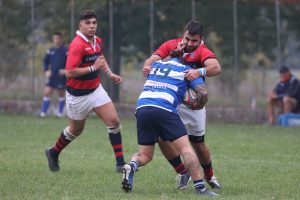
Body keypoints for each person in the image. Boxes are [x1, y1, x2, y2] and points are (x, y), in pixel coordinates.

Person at [121, 51, 217, 197]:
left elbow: (150, 66)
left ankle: (132, 164)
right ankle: (201, 189)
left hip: (142, 107)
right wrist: (194, 103)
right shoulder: (186, 70)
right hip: (164, 108)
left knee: (145, 155)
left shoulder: (156, 65)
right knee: (187, 149)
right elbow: (202, 93)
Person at [142, 20, 222, 190]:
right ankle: (182, 172)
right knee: (161, 138)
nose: (190, 44)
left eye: (195, 41)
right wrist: (148, 67)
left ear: (201, 39)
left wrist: (198, 71)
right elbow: (151, 60)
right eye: (188, 39)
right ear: (183, 34)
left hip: (192, 104)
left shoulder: (202, 51)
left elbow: (216, 68)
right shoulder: (171, 44)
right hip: (170, 102)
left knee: (198, 144)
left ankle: (210, 176)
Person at [45, 10, 125, 173]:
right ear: (80, 25)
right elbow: (69, 72)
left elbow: (100, 58)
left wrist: (109, 74)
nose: (91, 26)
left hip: (95, 90)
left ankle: (120, 164)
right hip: (77, 96)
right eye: (87, 23)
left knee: (114, 121)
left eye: (94, 23)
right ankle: (53, 152)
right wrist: (92, 67)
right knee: (76, 130)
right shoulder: (77, 45)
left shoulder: (97, 41)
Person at [39, 32, 67, 118]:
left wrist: (66, 70)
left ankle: (60, 113)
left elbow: (71, 61)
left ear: (60, 39)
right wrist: (47, 70)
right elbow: (45, 61)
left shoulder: (65, 50)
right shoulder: (50, 50)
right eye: (54, 38)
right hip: (52, 75)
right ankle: (43, 113)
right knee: (47, 92)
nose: (56, 40)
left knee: (61, 93)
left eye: (57, 38)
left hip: (61, 75)